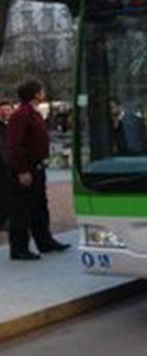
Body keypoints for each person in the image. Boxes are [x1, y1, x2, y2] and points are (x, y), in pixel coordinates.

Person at [5, 80, 70, 260]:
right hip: (26, 170)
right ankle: (19, 249)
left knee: (39, 207)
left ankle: (45, 241)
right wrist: (22, 170)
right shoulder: (21, 115)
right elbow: (14, 145)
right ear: (35, 94)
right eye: (41, 90)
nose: (43, 93)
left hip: (37, 167)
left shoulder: (33, 114)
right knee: (21, 210)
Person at [0, 98, 14, 231]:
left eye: (8, 109)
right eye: (3, 110)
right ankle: (4, 220)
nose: (5, 112)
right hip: (4, 166)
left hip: (11, 164)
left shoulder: (13, 125)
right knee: (4, 194)